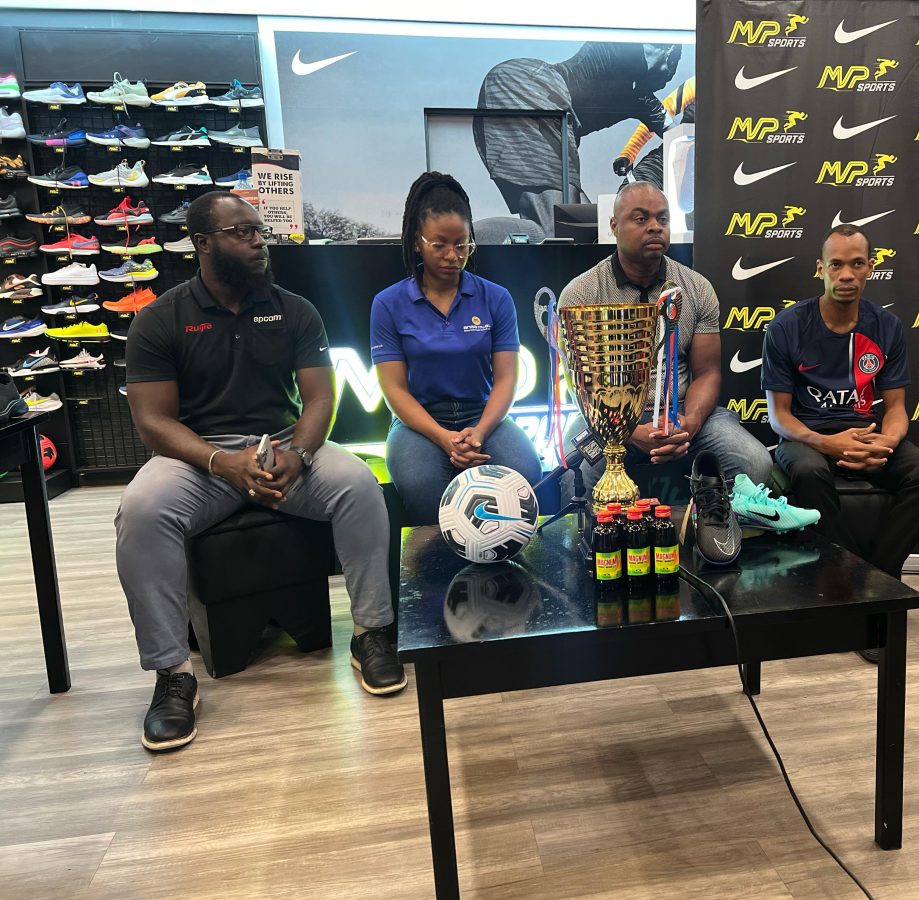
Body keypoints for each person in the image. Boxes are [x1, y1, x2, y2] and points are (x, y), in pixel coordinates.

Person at [118, 191, 404, 753]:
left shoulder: (294, 309)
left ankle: (372, 633)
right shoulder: (159, 319)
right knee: (141, 512)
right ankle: (173, 675)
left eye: (259, 231)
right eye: (241, 232)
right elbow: (153, 421)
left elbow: (320, 399)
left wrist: (298, 453)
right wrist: (220, 462)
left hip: (281, 448)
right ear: (202, 243)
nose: (258, 242)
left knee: (359, 486)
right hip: (198, 458)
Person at [559, 182, 773, 560]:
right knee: (574, 464)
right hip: (610, 416)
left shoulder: (696, 288)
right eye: (640, 219)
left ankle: (706, 531)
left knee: (754, 461)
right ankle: (602, 552)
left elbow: (707, 373)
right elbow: (581, 387)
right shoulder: (581, 294)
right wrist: (630, 430)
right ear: (613, 225)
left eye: (662, 218)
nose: (654, 227)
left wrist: (688, 423)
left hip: (682, 412)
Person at [762, 224, 919, 609]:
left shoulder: (886, 326)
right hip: (805, 437)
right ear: (820, 269)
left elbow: (896, 409)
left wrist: (887, 441)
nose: (846, 274)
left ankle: (877, 580)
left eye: (857, 264)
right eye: (836, 265)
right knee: (809, 472)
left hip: (865, 434)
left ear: (871, 268)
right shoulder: (787, 326)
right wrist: (828, 443)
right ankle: (845, 584)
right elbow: (779, 417)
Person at [370, 172, 542, 525]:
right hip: (418, 422)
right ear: (418, 242)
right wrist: (445, 439)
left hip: (482, 416)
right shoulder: (388, 304)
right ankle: (437, 575)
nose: (453, 255)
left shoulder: (495, 298)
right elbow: (394, 391)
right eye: (440, 244)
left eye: (462, 245)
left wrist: (477, 432)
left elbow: (507, 379)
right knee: (422, 488)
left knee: (526, 471)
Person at [473, 42, 682, 233]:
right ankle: (461, 240)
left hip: (541, 105)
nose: (667, 80)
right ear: (667, 50)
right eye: (672, 67)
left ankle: (462, 238)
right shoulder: (623, 49)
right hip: (528, 89)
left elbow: (680, 140)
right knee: (555, 225)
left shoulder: (641, 98)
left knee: (592, 231)